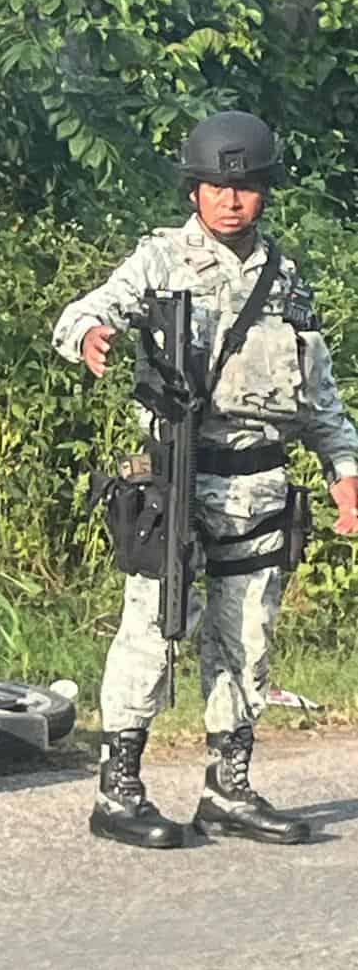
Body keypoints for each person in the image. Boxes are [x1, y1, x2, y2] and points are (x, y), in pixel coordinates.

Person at [53, 110, 358, 850]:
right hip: (178, 484)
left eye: (244, 187)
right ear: (194, 190)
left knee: (245, 640)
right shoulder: (160, 259)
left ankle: (229, 789)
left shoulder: (285, 280)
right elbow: (84, 312)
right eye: (217, 187)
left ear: (263, 192)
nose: (230, 200)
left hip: (259, 490)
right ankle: (119, 793)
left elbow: (318, 394)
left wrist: (344, 468)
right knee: (152, 635)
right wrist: (92, 336)